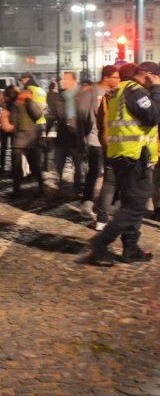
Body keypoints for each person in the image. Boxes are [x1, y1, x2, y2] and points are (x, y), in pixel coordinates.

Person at [79, 62, 160, 265]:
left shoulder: (120, 91)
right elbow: (153, 116)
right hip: (132, 157)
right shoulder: (135, 91)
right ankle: (100, 243)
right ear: (150, 75)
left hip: (123, 155)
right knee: (137, 204)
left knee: (132, 203)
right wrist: (156, 88)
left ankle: (130, 247)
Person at [76, 66, 118, 218]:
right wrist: (81, 142)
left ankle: (105, 205)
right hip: (95, 140)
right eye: (115, 77)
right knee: (93, 172)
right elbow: (81, 118)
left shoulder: (114, 93)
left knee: (109, 175)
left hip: (110, 141)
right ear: (106, 77)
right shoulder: (92, 92)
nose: (118, 80)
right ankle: (86, 202)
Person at [94, 64, 126, 231]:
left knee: (110, 182)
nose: (118, 80)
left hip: (110, 145)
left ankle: (102, 220)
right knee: (125, 183)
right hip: (130, 148)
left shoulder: (107, 97)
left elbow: (100, 123)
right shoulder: (133, 95)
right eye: (116, 77)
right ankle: (123, 219)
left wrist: (104, 140)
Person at [51, 71, 83, 193]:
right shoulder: (60, 96)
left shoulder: (81, 95)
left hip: (76, 137)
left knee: (78, 166)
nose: (63, 81)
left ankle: (77, 187)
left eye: (67, 79)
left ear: (75, 81)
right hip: (62, 135)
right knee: (59, 165)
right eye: (63, 79)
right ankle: (59, 187)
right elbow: (54, 115)